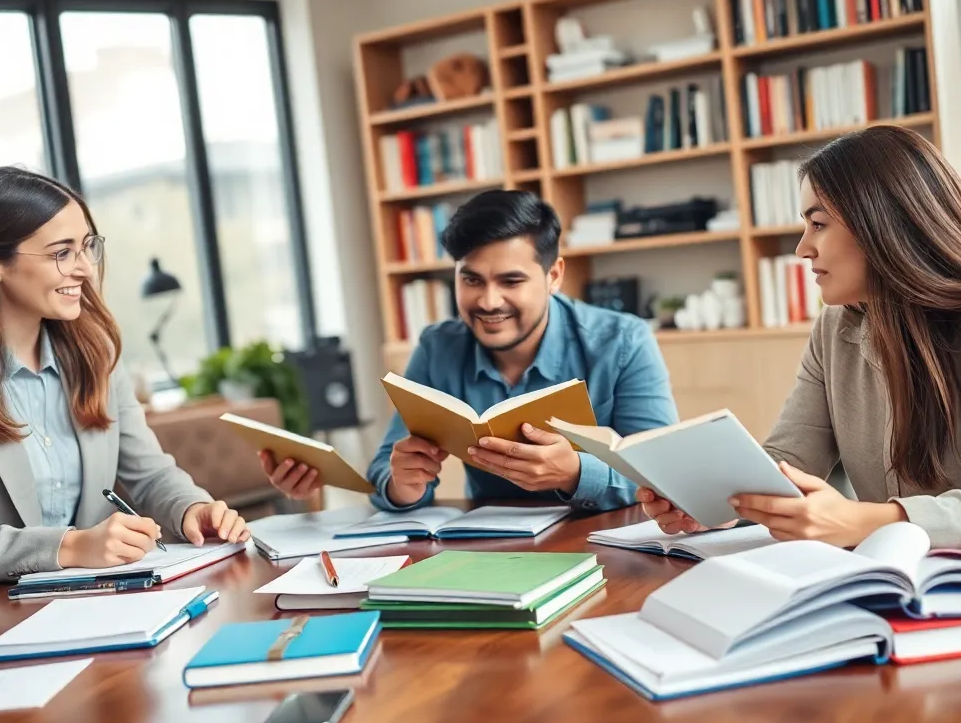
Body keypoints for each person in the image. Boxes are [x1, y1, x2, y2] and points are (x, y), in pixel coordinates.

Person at [642, 126, 961, 550]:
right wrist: (714, 502)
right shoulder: (836, 328)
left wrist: (863, 521)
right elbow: (789, 462)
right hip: (910, 578)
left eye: (818, 224)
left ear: (884, 225)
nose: (803, 248)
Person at [0, 167, 251, 611]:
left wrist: (191, 509)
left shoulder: (95, 351)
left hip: (63, 604)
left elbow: (150, 475)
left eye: (87, 246)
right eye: (62, 253)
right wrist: (73, 546)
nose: (85, 268)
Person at [261, 189, 677, 511]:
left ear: (554, 275)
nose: (488, 302)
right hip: (492, 551)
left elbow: (664, 475)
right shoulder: (438, 348)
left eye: (511, 281)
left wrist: (576, 473)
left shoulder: (623, 341)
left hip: (608, 546)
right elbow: (385, 468)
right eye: (471, 280)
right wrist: (403, 485)